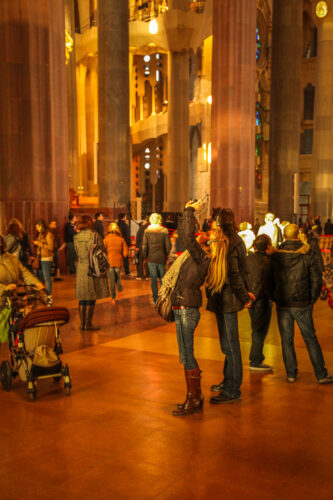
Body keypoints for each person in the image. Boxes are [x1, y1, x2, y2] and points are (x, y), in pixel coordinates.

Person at [167, 201, 228, 416]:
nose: (207, 233)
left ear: (214, 243)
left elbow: (186, 237)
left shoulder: (203, 257)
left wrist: (188, 211)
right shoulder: (204, 255)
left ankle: (193, 399)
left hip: (186, 308)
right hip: (183, 305)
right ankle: (196, 396)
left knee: (187, 356)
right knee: (185, 355)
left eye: (211, 233)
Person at [268, 223, 332, 384]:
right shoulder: (306, 253)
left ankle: (290, 373)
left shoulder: (276, 256)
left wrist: (275, 296)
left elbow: (268, 280)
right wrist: (312, 299)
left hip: (283, 303)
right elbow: (316, 279)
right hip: (302, 303)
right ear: (298, 235)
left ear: (284, 235)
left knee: (286, 340)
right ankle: (321, 374)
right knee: (310, 338)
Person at [207, 208, 254, 403]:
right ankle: (228, 382)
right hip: (223, 298)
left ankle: (233, 390)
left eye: (212, 221)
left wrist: (244, 297)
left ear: (219, 222)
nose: (209, 224)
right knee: (227, 345)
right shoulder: (229, 239)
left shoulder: (232, 242)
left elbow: (234, 275)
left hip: (228, 299)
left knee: (231, 346)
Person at [74, 215, 109, 331]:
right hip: (92, 267)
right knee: (91, 296)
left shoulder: (76, 237)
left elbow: (76, 252)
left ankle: (82, 324)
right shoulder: (95, 236)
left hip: (81, 268)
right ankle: (88, 324)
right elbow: (101, 250)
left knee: (82, 296)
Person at [246, 234, 274, 372]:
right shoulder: (268, 262)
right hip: (262, 300)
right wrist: (255, 297)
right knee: (259, 331)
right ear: (268, 246)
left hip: (250, 299)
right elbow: (264, 283)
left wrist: (247, 296)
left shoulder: (247, 259)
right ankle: (255, 360)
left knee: (256, 328)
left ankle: (257, 357)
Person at [0, 235, 44, 311]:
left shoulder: (11, 258)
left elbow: (24, 273)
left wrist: (35, 283)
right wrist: (4, 288)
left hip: (12, 301)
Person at [142, 213, 171, 304]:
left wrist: (145, 256)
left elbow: (144, 246)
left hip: (151, 257)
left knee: (153, 279)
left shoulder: (147, 231)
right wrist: (167, 254)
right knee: (163, 278)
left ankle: (155, 299)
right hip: (162, 257)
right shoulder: (164, 230)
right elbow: (168, 246)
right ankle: (164, 298)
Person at [103, 222, 128, 305]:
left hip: (109, 262)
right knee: (118, 278)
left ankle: (113, 298)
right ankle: (120, 290)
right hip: (118, 261)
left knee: (112, 280)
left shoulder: (106, 239)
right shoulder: (121, 239)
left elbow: (103, 252)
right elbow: (125, 254)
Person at [33, 219, 54, 304]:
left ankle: (49, 296)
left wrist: (39, 244)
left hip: (46, 258)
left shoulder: (48, 234)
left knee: (47, 278)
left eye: (38, 226)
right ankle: (42, 295)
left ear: (42, 226)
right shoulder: (40, 234)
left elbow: (51, 248)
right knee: (40, 277)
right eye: (36, 227)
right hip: (40, 258)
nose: (37, 228)